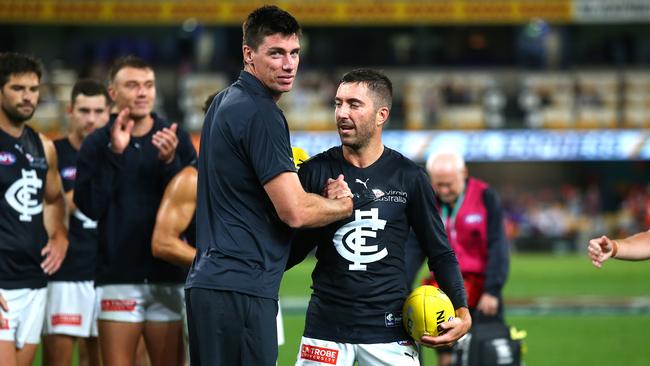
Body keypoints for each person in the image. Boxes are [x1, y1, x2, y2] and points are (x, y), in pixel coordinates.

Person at [185, 5, 353, 366]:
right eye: (275, 53)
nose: (288, 64)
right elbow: (293, 211)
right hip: (241, 287)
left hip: (211, 284)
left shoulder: (223, 102)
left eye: (294, 53)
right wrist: (342, 206)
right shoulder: (262, 112)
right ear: (249, 54)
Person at [286, 69, 471, 366]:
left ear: (381, 114)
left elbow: (439, 251)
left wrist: (462, 310)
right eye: (338, 103)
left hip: (390, 332)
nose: (342, 113)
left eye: (354, 104)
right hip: (325, 331)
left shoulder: (409, 177)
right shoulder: (314, 172)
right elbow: (289, 252)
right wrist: (324, 208)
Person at [74, 55, 196, 366]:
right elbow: (89, 207)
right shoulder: (97, 144)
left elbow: (192, 207)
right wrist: (116, 153)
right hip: (118, 277)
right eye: (132, 85)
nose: (143, 92)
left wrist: (171, 165)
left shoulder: (175, 136)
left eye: (148, 85)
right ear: (112, 93)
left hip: (167, 278)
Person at [0, 52, 68, 366]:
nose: (28, 97)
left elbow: (54, 198)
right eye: (18, 88)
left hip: (34, 281)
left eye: (34, 89)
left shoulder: (44, 146)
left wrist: (59, 235)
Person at [42, 79, 110, 366]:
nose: (91, 119)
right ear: (70, 110)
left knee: (100, 359)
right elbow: (46, 204)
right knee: (56, 360)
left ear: (109, 112)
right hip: (65, 272)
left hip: (108, 272)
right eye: (84, 110)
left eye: (98, 111)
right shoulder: (53, 152)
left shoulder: (118, 152)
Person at [424, 151, 510, 366]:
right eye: (438, 184)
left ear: (463, 173)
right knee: (444, 353)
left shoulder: (485, 196)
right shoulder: (426, 201)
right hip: (444, 287)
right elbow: (413, 247)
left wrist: (493, 290)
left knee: (484, 352)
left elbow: (498, 245)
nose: (443, 191)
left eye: (449, 184)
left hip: (481, 290)